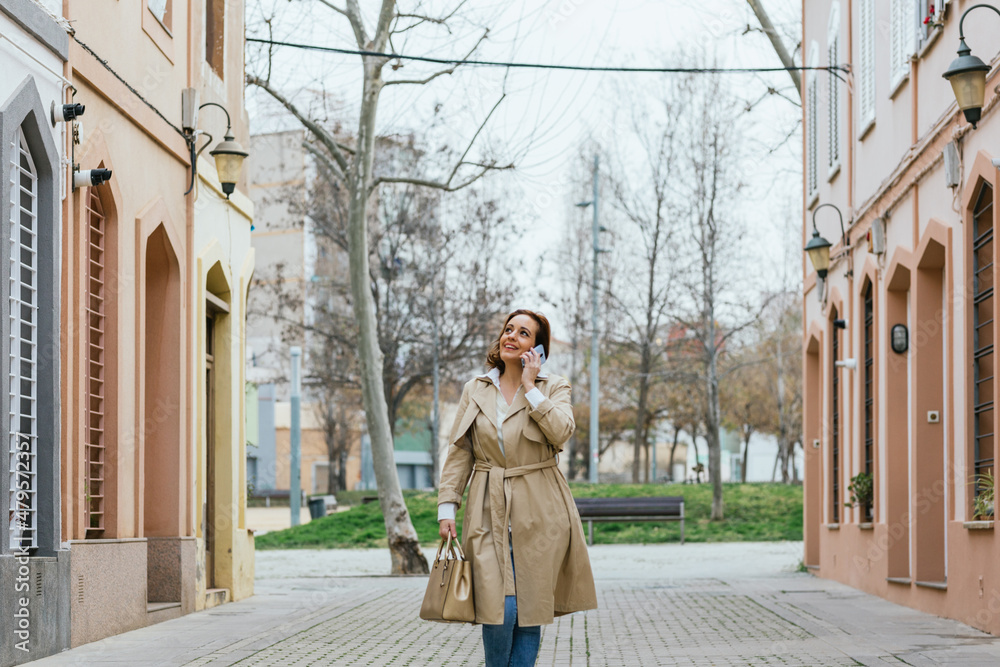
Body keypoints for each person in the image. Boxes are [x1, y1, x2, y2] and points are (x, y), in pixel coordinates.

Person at [438, 309, 597, 667]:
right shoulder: (476, 389)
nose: (511, 336)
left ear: (537, 349)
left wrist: (529, 385)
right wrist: (447, 507)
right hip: (485, 504)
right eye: (508, 329)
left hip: (541, 507)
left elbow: (561, 432)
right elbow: (460, 452)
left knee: (530, 609)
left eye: (523, 333)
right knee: (500, 608)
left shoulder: (553, 387)